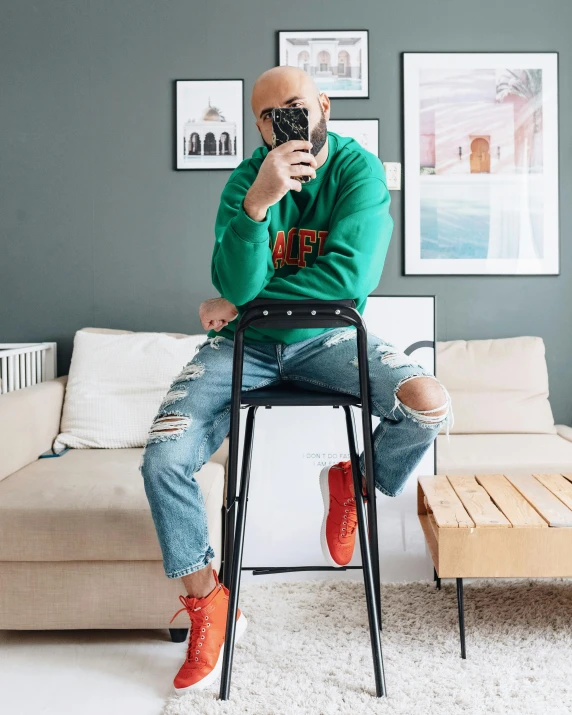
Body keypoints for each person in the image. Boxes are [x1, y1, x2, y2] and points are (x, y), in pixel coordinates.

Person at [140, 65, 454, 694]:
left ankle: (354, 479)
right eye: (267, 115)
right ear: (257, 126)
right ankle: (211, 600)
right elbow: (235, 283)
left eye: (295, 107)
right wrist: (259, 203)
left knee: (428, 404)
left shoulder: (358, 173)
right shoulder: (245, 180)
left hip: (328, 340)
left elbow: (347, 281)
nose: (283, 121)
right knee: (162, 460)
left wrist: (244, 302)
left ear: (323, 107)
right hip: (242, 346)